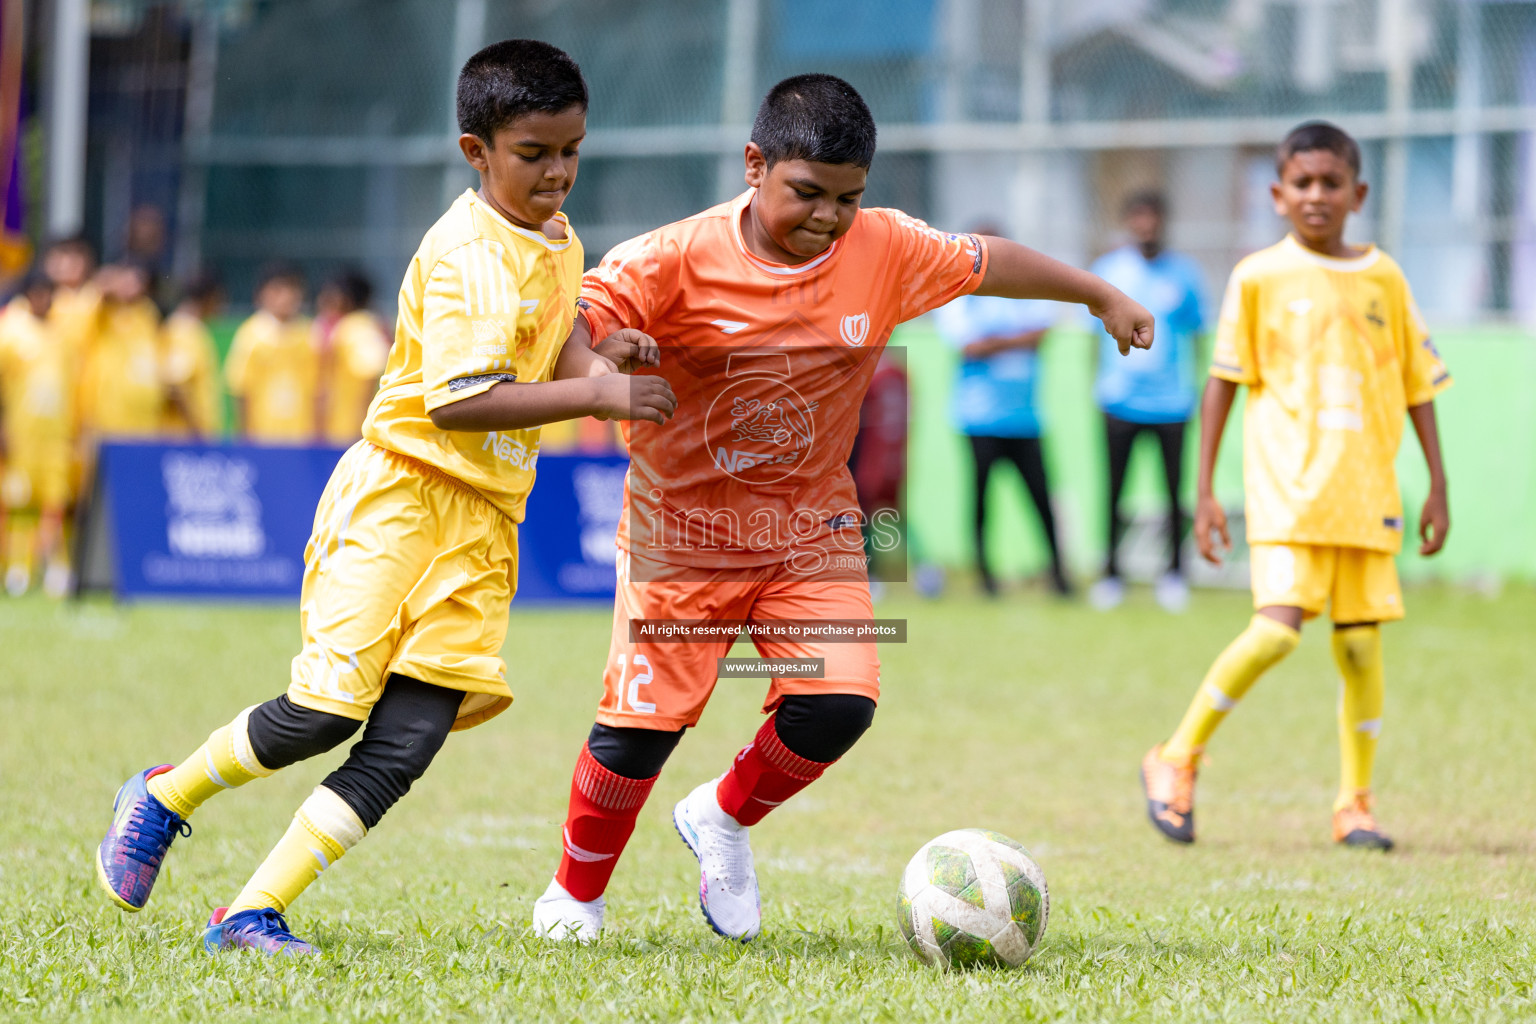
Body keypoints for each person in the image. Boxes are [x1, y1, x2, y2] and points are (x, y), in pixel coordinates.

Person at [530, 73, 1152, 944]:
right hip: (683, 534)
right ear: (755, 165)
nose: (828, 217)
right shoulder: (666, 259)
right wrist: (600, 377)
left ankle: (722, 816)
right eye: (808, 195)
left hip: (809, 531)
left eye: (848, 199)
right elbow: (576, 326)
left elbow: (987, 260)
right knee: (640, 732)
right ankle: (573, 896)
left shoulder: (886, 248)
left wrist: (1097, 294)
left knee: (839, 704)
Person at [92, 39, 674, 955]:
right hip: (400, 500)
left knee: (410, 738)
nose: (559, 173)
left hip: (486, 523)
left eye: (572, 150)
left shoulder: (560, 241)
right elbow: (458, 401)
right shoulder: (465, 255)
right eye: (535, 154)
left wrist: (601, 359)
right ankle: (163, 795)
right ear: (475, 152)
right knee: (322, 712)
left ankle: (252, 911)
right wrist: (601, 394)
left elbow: (549, 344)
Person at [1139, 122, 1451, 852]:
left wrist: (1437, 484)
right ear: (1278, 195)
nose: (1317, 196)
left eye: (1331, 183)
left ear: (1357, 193)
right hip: (1288, 491)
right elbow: (1223, 382)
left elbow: (1418, 385)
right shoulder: (1257, 276)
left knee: (1363, 651)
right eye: (1302, 184)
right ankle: (1175, 758)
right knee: (1277, 629)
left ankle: (1356, 805)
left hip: (1367, 489)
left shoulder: (1386, 277)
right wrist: (1205, 490)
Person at [1087, 192, 1207, 613]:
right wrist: (1098, 387)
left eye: (1153, 218)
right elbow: (1093, 338)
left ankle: (1174, 573)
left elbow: (1196, 335)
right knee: (1114, 491)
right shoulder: (1108, 272)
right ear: (1128, 222)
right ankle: (1111, 575)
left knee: (1174, 493)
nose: (1146, 226)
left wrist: (1194, 389)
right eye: (1138, 218)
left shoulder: (1185, 274)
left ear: (1163, 222)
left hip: (1173, 403)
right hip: (1119, 401)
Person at [934, 234, 1070, 597]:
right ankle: (985, 576)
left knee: (1041, 499)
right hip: (978, 418)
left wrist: (995, 341)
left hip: (1025, 418)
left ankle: (1059, 575)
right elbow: (969, 346)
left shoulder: (1024, 291)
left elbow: (1042, 331)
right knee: (981, 500)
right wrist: (1014, 339)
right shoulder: (957, 296)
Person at [0, 271, 73, 597]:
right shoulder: (11, 331)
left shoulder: (59, 334)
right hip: (22, 433)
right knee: (20, 501)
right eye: (38, 293)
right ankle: (19, 567)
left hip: (55, 434)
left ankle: (56, 567)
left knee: (55, 501)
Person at [224, 262, 317, 443]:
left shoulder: (311, 334)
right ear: (262, 294)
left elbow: (318, 391)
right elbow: (241, 391)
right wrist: (244, 438)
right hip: (262, 438)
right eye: (277, 290)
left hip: (302, 439)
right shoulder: (250, 335)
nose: (286, 297)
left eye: (292, 289)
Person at [78, 261, 165, 444]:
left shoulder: (147, 312)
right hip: (110, 421)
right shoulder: (104, 312)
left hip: (146, 422)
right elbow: (94, 303)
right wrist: (108, 286)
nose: (133, 286)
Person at [315, 269, 390, 446]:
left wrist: (362, 429)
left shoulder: (357, 328)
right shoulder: (355, 326)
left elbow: (368, 379)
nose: (323, 301)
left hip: (351, 433)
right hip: (345, 431)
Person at [160, 269, 225, 439]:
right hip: (184, 442)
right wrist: (197, 433)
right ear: (212, 297)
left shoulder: (188, 329)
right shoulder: (185, 331)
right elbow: (175, 386)